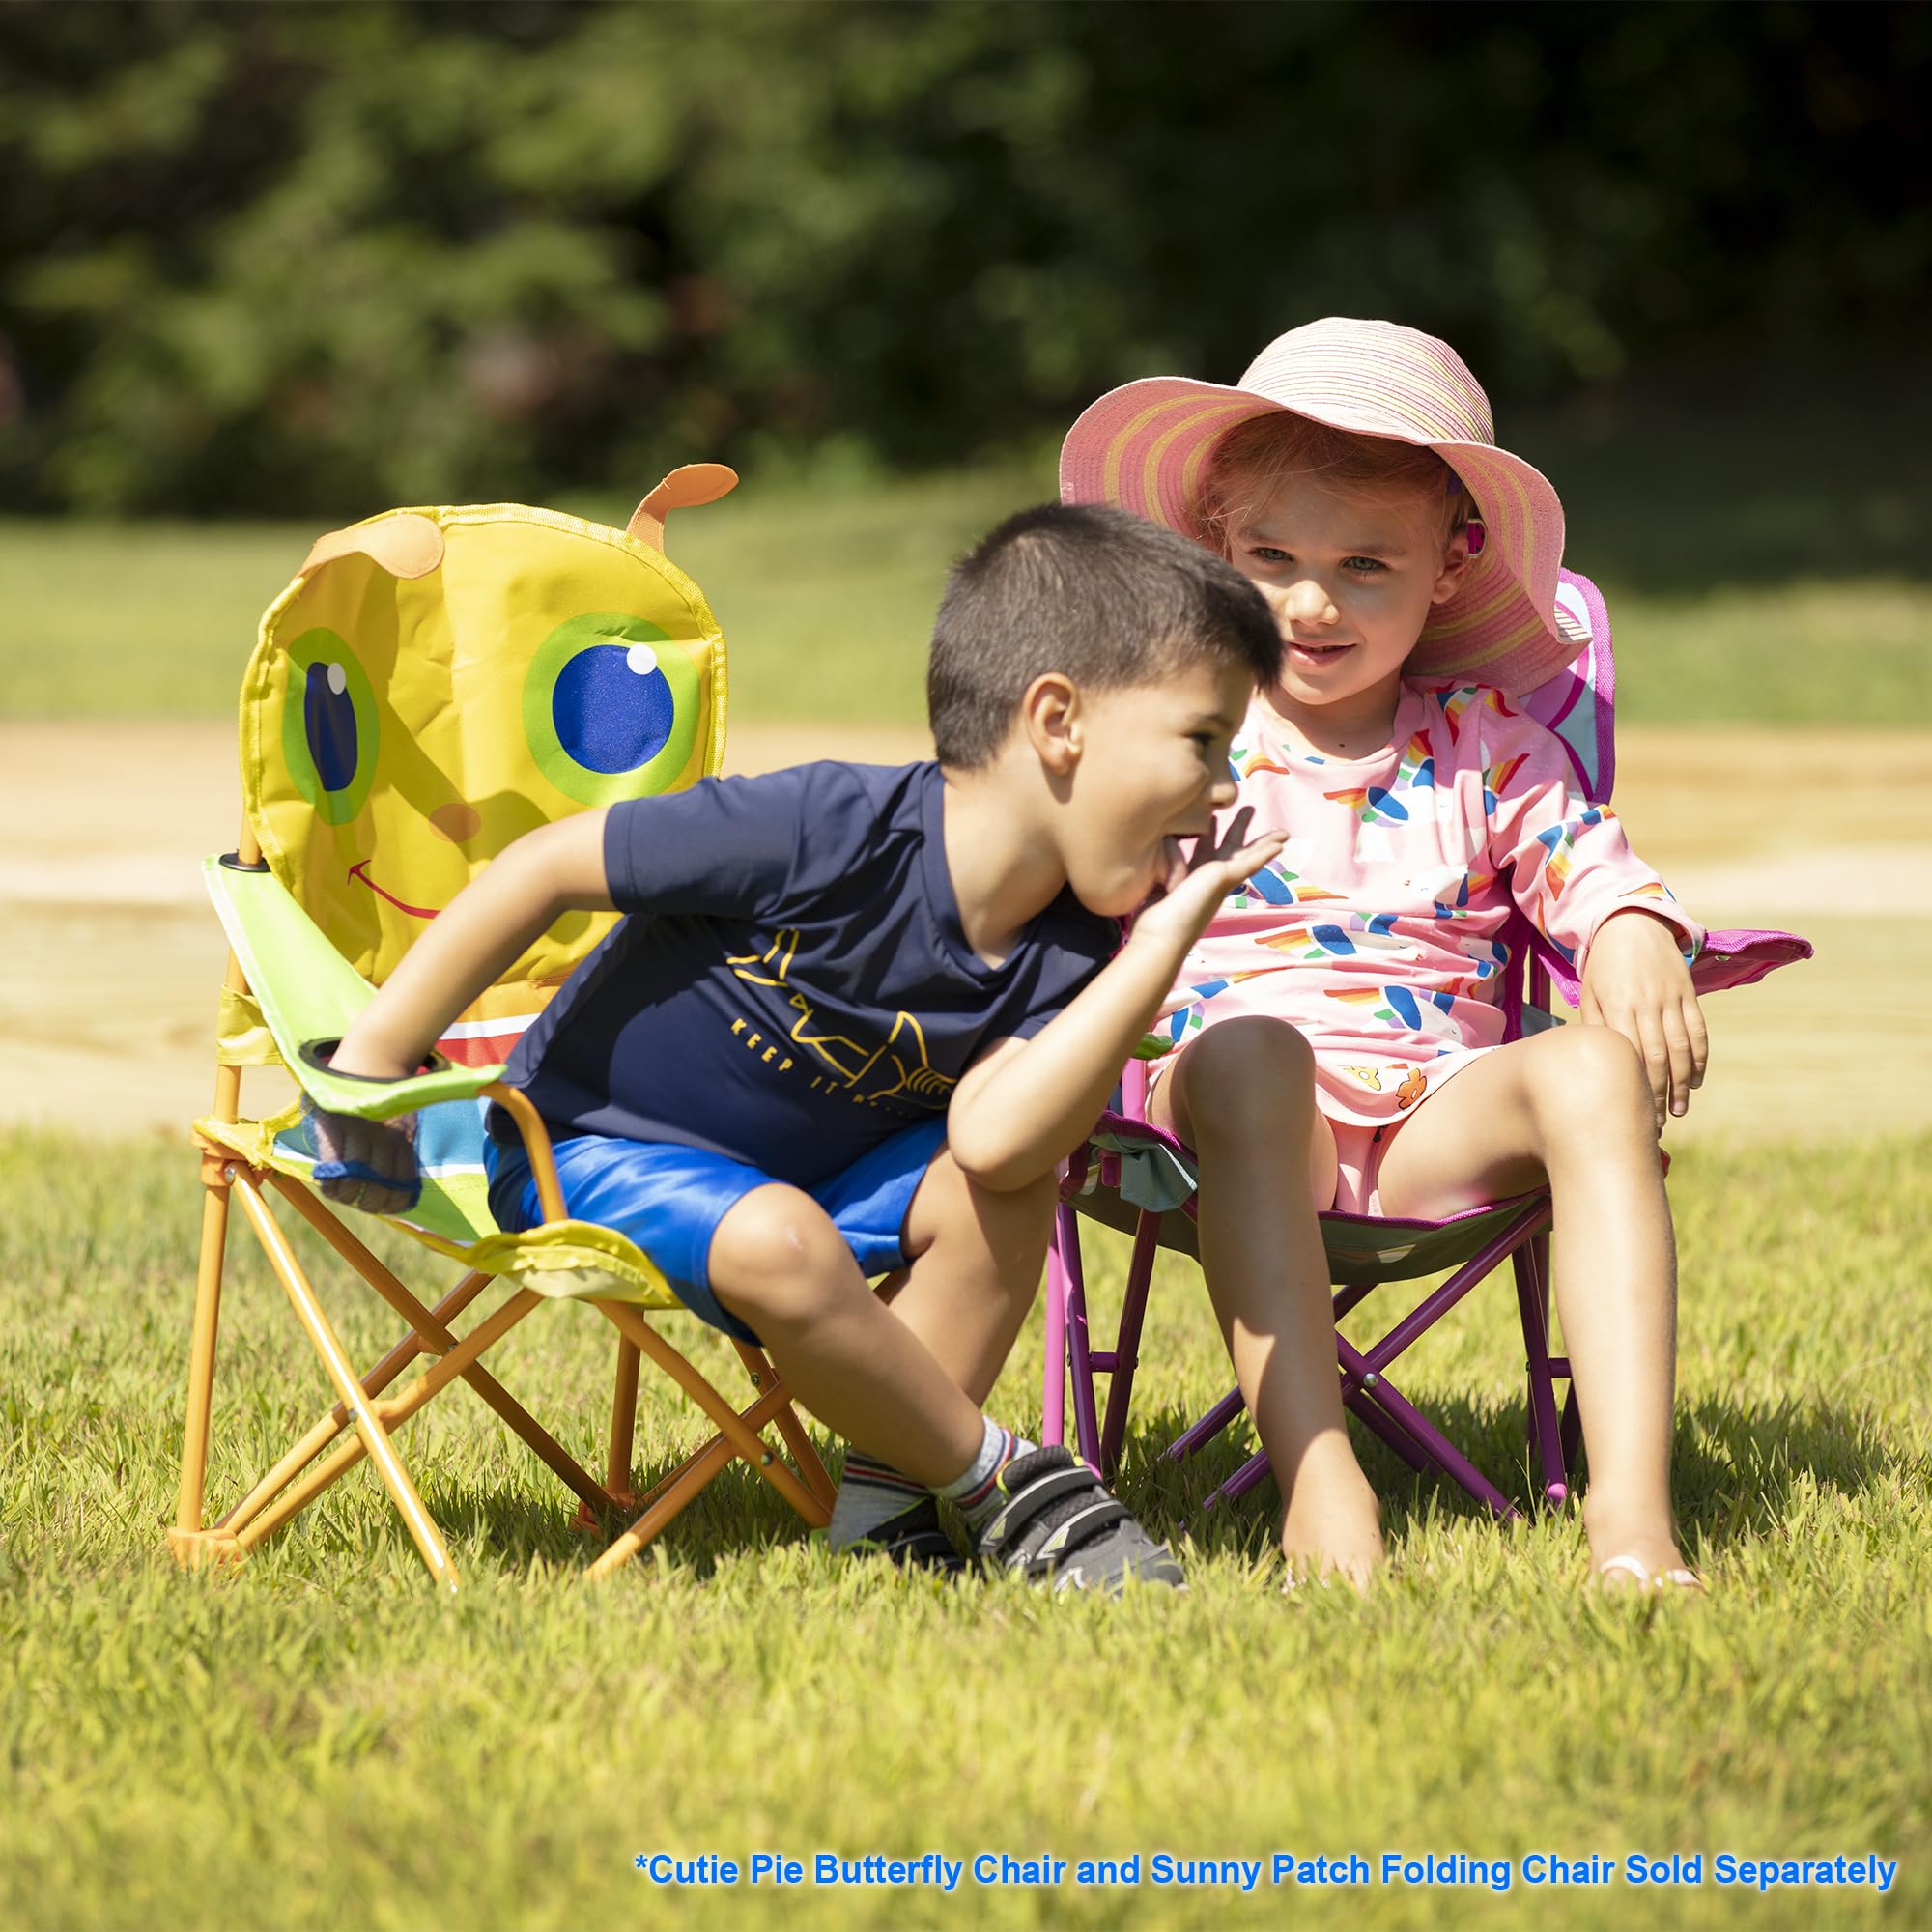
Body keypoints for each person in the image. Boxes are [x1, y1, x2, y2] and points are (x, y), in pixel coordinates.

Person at [308, 502, 1288, 1593]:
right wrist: (370, 1069)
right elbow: (542, 866)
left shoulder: (1073, 944)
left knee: (991, 1186)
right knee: (781, 1237)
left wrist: (1150, 949)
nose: (1223, 790)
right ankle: (998, 1480)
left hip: (810, 1191)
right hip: (582, 1149)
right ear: (1056, 719)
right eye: (1202, 741)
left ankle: (886, 1503)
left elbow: (999, 1142)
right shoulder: (827, 827)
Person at [1061, 318, 1708, 1593]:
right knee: (1253, 1057)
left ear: (1449, 571)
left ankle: (1633, 1519)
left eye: (1367, 565)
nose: (1313, 602)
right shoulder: (1182, 732)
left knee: (1588, 1071)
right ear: (1212, 554)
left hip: (1433, 1120)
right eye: (1273, 559)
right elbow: (1074, 879)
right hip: (1230, 1120)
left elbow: (1588, 863)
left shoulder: (1489, 743)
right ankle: (1320, 1483)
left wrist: (1631, 928)